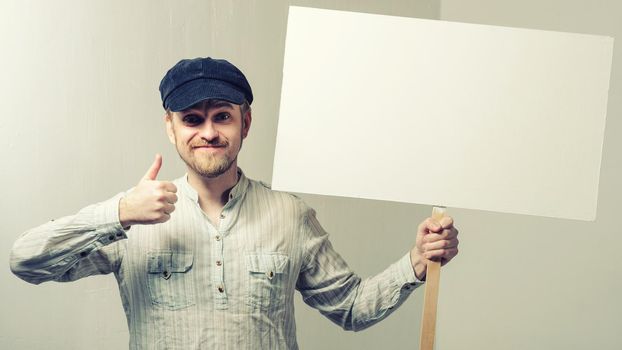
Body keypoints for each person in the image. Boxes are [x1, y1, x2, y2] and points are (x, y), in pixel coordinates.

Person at [10, 57, 459, 349]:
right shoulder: (131, 217)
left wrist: (417, 261)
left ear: (246, 121)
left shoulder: (290, 214)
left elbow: (352, 308)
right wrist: (119, 213)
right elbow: (25, 261)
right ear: (171, 127)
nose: (208, 132)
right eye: (192, 119)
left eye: (221, 115)